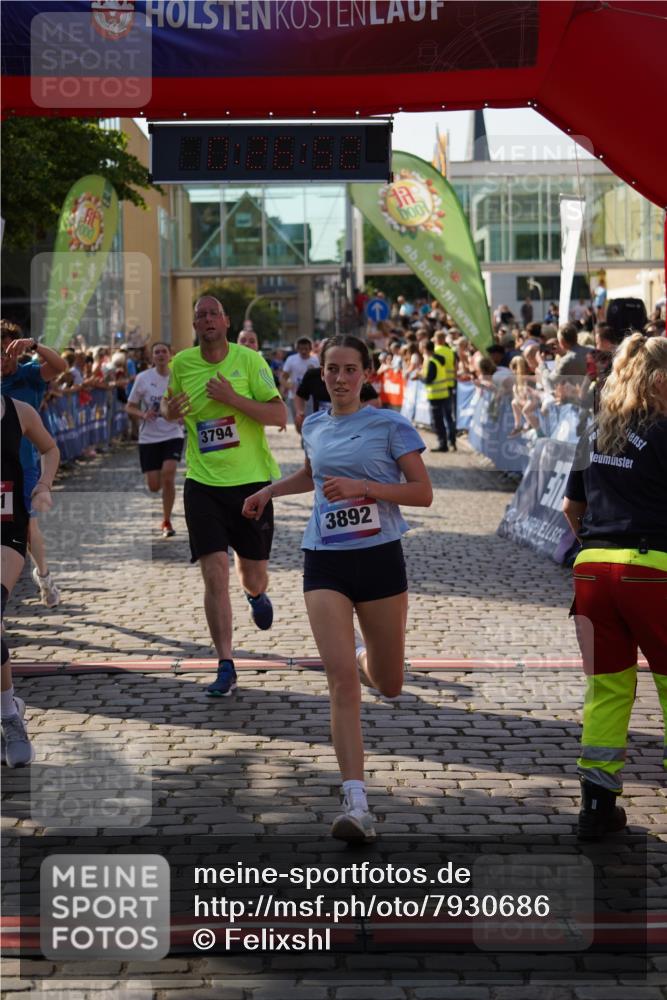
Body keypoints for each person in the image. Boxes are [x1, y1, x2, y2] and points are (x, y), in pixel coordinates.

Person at [242, 334, 432, 842]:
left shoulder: (391, 425)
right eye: (332, 370)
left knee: (387, 683)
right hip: (324, 559)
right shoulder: (315, 424)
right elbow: (312, 473)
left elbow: (423, 492)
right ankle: (356, 800)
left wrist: (365, 488)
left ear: (366, 373)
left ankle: (371, 657)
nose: (341, 378)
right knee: (341, 680)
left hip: (379, 561)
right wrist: (268, 490)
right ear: (320, 373)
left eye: (350, 369)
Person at [562, 333, 667, 841]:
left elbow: (570, 509)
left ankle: (596, 805)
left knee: (607, 687)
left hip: (592, 571)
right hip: (652, 569)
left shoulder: (596, 431)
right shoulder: (666, 432)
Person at [161, 296, 287, 697]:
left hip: (251, 484)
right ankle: (226, 663)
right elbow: (169, 405)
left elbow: (279, 416)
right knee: (214, 574)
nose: (208, 319)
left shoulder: (250, 362)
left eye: (214, 313)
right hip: (202, 483)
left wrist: (233, 398)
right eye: (200, 315)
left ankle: (256, 594)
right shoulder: (182, 365)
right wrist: (168, 412)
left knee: (251, 573)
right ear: (194, 324)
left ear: (227, 322)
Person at [1, 395, 60, 766]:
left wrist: (43, 485)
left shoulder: (19, 411)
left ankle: (8, 717)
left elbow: (50, 448)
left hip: (6, 529)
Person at [1, 321, 66, 607]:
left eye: (6, 350)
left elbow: (60, 365)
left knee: (27, 530)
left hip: (24, 466)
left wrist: (34, 345)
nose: (2, 357)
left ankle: (44, 575)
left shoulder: (29, 375)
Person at [126, 342, 184, 538]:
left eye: (164, 352)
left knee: (169, 476)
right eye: (156, 352)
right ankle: (162, 499)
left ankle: (167, 520)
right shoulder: (143, 378)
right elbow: (129, 406)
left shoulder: (178, 377)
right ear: (152, 357)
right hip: (149, 437)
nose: (160, 355)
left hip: (173, 433)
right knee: (153, 485)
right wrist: (142, 414)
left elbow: (188, 401)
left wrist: (184, 414)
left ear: (170, 355)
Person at [419, 339, 456, 452]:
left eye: (421, 348)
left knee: (438, 421)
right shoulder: (439, 359)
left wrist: (420, 377)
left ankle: (443, 444)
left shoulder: (431, 362)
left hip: (435, 396)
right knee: (448, 418)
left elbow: (429, 379)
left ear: (425, 349)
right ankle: (451, 442)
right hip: (444, 393)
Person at [280, 337, 319, 426]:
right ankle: (302, 436)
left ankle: (304, 438)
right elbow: (282, 378)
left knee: (309, 421)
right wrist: (289, 386)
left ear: (310, 349)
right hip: (294, 396)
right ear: (297, 349)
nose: (304, 351)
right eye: (301, 349)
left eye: (306, 349)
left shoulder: (315, 360)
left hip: (310, 397)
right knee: (298, 422)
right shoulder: (291, 359)